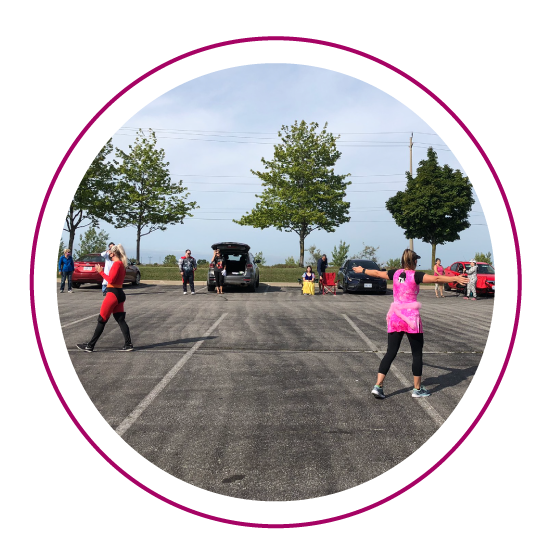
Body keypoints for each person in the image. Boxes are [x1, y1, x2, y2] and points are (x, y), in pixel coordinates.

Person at [352, 249, 469, 399]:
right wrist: (456, 279)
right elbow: (437, 279)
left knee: (391, 352)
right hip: (411, 319)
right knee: (417, 353)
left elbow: (376, 273)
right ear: (414, 262)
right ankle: (417, 389)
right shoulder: (416, 275)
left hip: (395, 316)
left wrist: (362, 270)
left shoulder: (394, 273)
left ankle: (378, 386)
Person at [76, 244, 134, 352]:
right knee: (121, 320)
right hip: (120, 293)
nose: (108, 253)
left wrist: (101, 272)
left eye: (110, 251)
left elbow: (111, 280)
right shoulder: (122, 264)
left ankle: (90, 346)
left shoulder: (116, 264)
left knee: (102, 319)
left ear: (113, 253)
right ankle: (128, 344)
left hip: (113, 294)